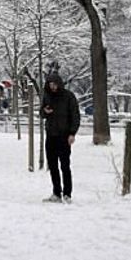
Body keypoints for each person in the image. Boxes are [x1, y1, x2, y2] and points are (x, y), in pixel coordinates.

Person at [39, 71, 80, 204]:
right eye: (50, 84)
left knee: (65, 165)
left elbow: (75, 116)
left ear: (59, 84)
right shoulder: (47, 96)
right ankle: (57, 192)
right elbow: (41, 112)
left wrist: (72, 133)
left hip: (64, 136)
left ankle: (67, 193)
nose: (53, 87)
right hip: (51, 135)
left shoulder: (69, 97)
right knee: (52, 165)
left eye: (55, 84)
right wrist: (44, 112)